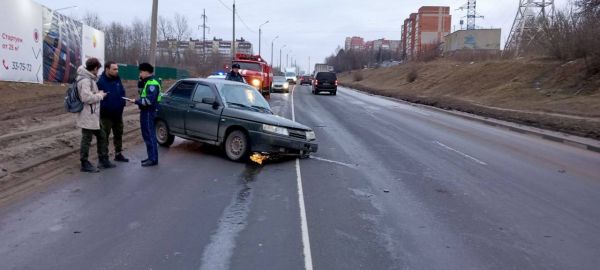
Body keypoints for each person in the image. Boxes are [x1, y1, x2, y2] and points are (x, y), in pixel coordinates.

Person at [76, 58, 117, 172]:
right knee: (87, 138)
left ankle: (103, 159)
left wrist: (98, 94)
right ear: (94, 68)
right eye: (98, 69)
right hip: (87, 114)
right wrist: (100, 95)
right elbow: (86, 98)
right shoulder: (85, 80)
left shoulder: (89, 78)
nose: (98, 71)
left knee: (102, 136)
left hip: (93, 114)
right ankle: (84, 163)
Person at [129, 63, 161, 167]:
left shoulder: (152, 84)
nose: (140, 73)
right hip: (146, 112)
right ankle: (151, 157)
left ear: (146, 72)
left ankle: (152, 159)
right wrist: (140, 82)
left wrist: (136, 101)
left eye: (141, 72)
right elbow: (142, 93)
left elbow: (148, 100)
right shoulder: (147, 82)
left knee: (149, 135)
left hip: (148, 112)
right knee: (147, 135)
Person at [97, 61, 129, 162]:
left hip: (118, 114)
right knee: (104, 137)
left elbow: (122, 92)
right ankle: (103, 158)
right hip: (106, 115)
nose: (117, 71)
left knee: (119, 134)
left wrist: (122, 103)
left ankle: (118, 154)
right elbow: (97, 97)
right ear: (107, 69)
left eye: (117, 69)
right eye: (114, 69)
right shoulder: (100, 82)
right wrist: (105, 107)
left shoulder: (117, 79)